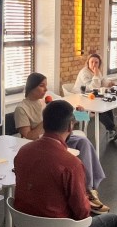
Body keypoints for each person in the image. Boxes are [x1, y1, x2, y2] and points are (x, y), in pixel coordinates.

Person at [13, 100, 117, 227]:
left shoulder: (23, 152)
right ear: (70, 127)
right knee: (111, 220)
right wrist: (84, 199)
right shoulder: (71, 164)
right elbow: (82, 214)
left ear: (44, 122)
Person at [15, 72, 110, 212]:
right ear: (31, 87)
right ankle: (86, 193)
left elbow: (69, 120)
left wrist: (82, 113)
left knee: (83, 142)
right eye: (42, 86)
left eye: (46, 85)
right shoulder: (21, 109)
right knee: (80, 144)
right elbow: (28, 136)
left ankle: (89, 189)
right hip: (41, 143)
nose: (46, 89)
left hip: (59, 137)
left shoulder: (47, 101)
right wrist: (47, 118)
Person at [73, 53, 117, 142]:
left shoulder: (97, 71)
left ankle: (111, 130)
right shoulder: (84, 72)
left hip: (91, 97)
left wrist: (109, 83)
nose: (94, 64)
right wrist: (96, 75)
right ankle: (113, 128)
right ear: (88, 63)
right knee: (99, 109)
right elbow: (92, 87)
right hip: (80, 99)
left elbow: (102, 81)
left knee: (107, 105)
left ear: (99, 64)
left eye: (96, 62)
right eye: (92, 62)